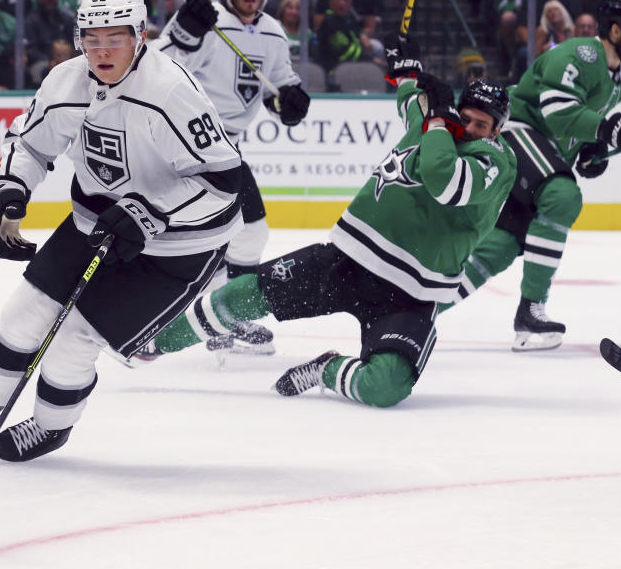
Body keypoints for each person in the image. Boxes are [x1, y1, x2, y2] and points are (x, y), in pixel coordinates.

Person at [0, 0, 243, 462]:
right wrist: (10, 189)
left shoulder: (171, 91)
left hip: (179, 245)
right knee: (24, 312)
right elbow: (29, 144)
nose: (102, 50)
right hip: (98, 222)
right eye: (91, 37)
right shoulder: (65, 81)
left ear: (141, 35)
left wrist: (153, 212)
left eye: (115, 37)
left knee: (74, 337)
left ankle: (49, 427)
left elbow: (224, 181)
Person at [141, 53, 516, 408]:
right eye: (464, 118)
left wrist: (437, 122)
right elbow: (410, 100)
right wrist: (407, 71)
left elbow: (444, 179)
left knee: (386, 386)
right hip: (349, 260)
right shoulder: (436, 123)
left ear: (497, 131)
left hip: (409, 295)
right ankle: (155, 341)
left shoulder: (496, 161)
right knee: (246, 294)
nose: (468, 129)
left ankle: (326, 369)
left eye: (480, 125)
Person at [441, 0, 621, 351]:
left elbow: (581, 122)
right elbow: (558, 113)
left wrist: (592, 148)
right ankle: (532, 307)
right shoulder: (578, 55)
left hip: (545, 150)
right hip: (515, 132)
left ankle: (416, 310)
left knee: (497, 249)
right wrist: (616, 129)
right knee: (561, 195)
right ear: (616, 30)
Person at [153, 0, 310, 356]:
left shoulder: (274, 32)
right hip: (190, 143)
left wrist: (288, 102)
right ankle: (214, 314)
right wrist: (185, 36)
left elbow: (279, 82)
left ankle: (220, 312)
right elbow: (155, 67)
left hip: (228, 148)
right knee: (227, 234)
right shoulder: (205, 19)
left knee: (243, 234)